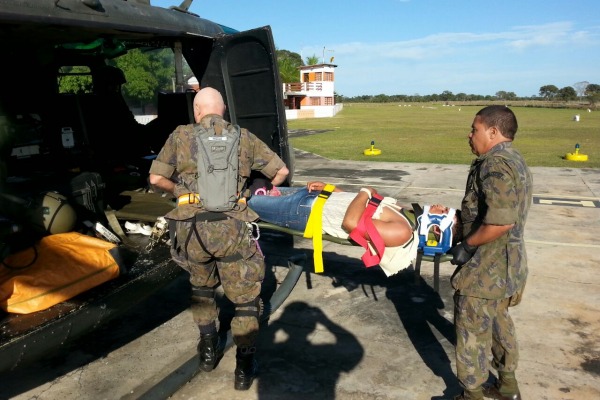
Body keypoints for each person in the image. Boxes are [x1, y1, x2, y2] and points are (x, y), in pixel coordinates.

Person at [148, 87, 289, 391]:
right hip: (233, 230)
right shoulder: (243, 136)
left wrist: (181, 193)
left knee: (201, 290)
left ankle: (208, 350)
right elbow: (281, 171)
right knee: (246, 300)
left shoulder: (180, 136)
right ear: (222, 109)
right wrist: (253, 191)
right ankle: (244, 366)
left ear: (197, 111)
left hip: (193, 231)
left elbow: (156, 178)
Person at [448, 105, 532, 400]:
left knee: (471, 330)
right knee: (498, 322)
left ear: (493, 132)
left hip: (487, 267)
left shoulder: (494, 165)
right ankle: (508, 386)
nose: (470, 135)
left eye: (475, 129)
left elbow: (500, 221)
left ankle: (472, 394)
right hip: (508, 264)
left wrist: (466, 246)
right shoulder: (514, 159)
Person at [248, 180, 461, 277]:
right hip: (314, 198)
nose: (440, 207)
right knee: (256, 186)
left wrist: (367, 191)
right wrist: (332, 189)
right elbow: (362, 207)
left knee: (243, 201)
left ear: (438, 230)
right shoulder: (407, 216)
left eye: (444, 212)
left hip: (303, 211)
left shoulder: (403, 232)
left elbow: (351, 223)